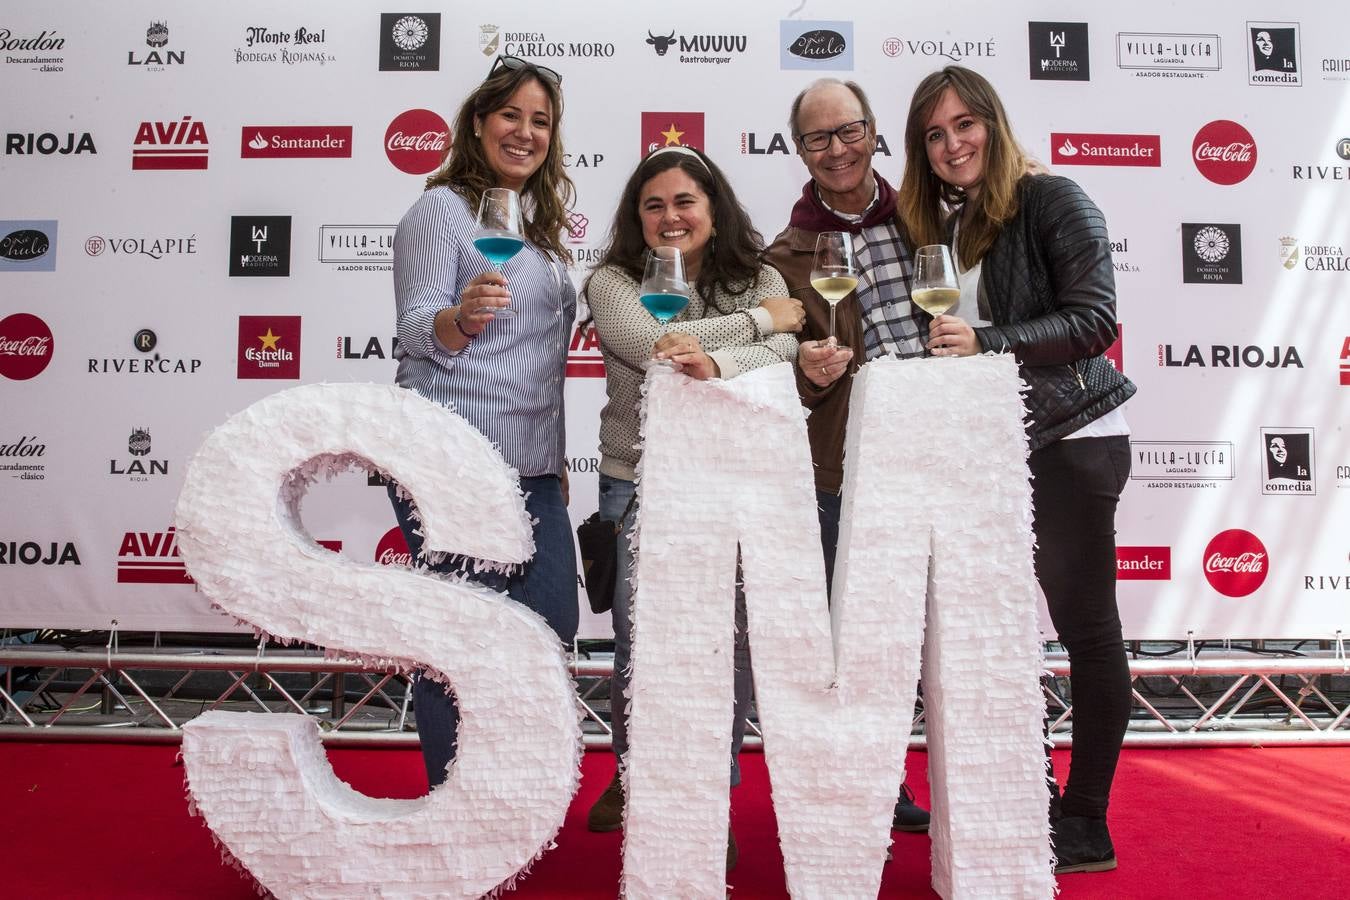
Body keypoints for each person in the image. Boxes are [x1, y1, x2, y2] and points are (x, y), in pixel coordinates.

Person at [897, 65, 1137, 874]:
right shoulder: (948, 225)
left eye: (965, 124)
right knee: (993, 638)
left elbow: (1095, 319)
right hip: (991, 450)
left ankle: (1087, 820)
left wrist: (990, 341)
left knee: (1086, 628)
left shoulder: (1052, 198)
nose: (952, 143)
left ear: (993, 125)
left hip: (1072, 440)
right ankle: (1023, 797)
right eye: (935, 133)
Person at [584, 145, 804, 867]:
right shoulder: (615, 279)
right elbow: (647, 343)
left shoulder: (761, 277)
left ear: (714, 211)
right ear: (636, 217)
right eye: (654, 205)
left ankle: (710, 795)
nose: (670, 216)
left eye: (685, 202)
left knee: (726, 649)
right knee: (640, 650)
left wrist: (723, 359)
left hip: (733, 485)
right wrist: (758, 326)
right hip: (638, 482)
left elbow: (786, 357)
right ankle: (636, 777)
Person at [389, 55, 579, 790]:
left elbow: (539, 357)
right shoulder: (442, 210)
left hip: (531, 468)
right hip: (452, 462)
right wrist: (458, 318)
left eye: (541, 120)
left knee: (549, 628)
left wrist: (552, 456)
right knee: (459, 645)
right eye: (511, 115)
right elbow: (413, 327)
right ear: (477, 123)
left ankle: (508, 793)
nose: (525, 132)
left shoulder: (535, 223)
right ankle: (456, 805)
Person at [763, 78, 931, 835]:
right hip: (845, 467)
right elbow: (769, 367)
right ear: (798, 149)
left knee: (935, 632)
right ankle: (868, 785)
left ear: (874, 132)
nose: (837, 150)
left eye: (849, 131)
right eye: (818, 138)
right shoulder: (783, 253)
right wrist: (804, 369)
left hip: (938, 452)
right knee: (848, 633)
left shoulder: (932, 218)